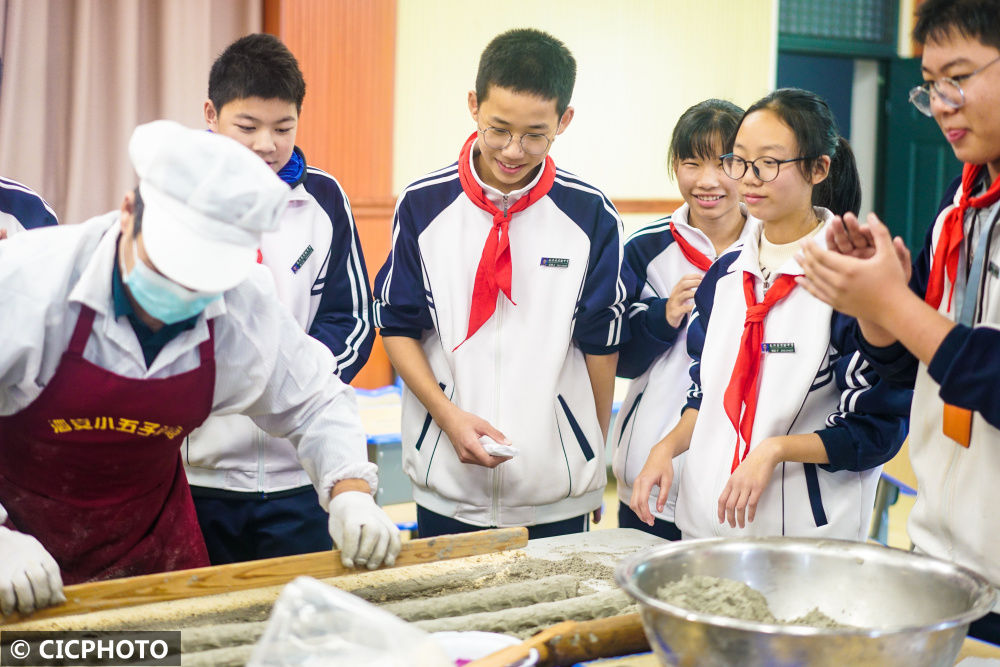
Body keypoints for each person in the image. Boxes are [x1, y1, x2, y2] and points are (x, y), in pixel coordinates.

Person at [0, 120, 400, 617]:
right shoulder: (24, 283)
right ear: (128, 213)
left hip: (152, 554)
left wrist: (350, 494)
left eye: (201, 285)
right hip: (17, 559)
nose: (180, 296)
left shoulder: (241, 304)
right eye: (167, 270)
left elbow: (314, 399)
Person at [797, 0, 1000, 642]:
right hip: (949, 558)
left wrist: (895, 305)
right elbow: (921, 368)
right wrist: (878, 312)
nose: (942, 103)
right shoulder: (960, 206)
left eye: (959, 78)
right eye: (931, 85)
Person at [373, 28, 627, 539]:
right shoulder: (423, 206)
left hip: (553, 493)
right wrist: (447, 418)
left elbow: (601, 346)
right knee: (451, 618)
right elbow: (397, 326)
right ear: (474, 106)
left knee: (556, 620)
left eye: (536, 134)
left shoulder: (590, 214)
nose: (513, 151)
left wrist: (592, 458)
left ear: (564, 120)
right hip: (447, 481)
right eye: (498, 129)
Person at [630, 88, 910, 540]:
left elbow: (875, 431)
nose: (748, 179)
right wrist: (666, 448)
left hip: (803, 541)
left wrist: (775, 450)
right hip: (707, 526)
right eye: (738, 161)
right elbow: (708, 391)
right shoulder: (725, 274)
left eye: (769, 164)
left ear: (819, 168)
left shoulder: (849, 280)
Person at [181, 33, 375, 564]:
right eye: (247, 127)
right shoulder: (178, 200)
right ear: (211, 115)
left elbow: (353, 317)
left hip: (300, 474)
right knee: (199, 632)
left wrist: (295, 378)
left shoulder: (324, 199)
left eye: (283, 128)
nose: (266, 144)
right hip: (200, 474)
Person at [613, 99, 749, 540]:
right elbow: (620, 360)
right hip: (648, 477)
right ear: (675, 166)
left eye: (725, 164)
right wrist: (660, 317)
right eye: (692, 163)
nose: (707, 181)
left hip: (734, 487)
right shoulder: (645, 248)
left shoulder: (768, 251)